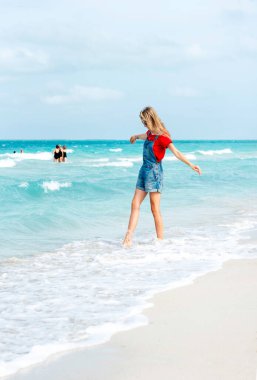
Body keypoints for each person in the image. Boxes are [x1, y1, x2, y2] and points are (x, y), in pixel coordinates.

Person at [123, 106, 202, 247]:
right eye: (142, 121)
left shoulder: (163, 137)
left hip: (154, 174)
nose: (143, 123)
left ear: (150, 119)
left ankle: (160, 243)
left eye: (144, 121)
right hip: (143, 172)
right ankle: (128, 236)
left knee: (155, 209)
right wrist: (134, 136)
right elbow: (141, 136)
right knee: (134, 204)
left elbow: (176, 152)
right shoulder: (149, 134)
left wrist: (191, 164)